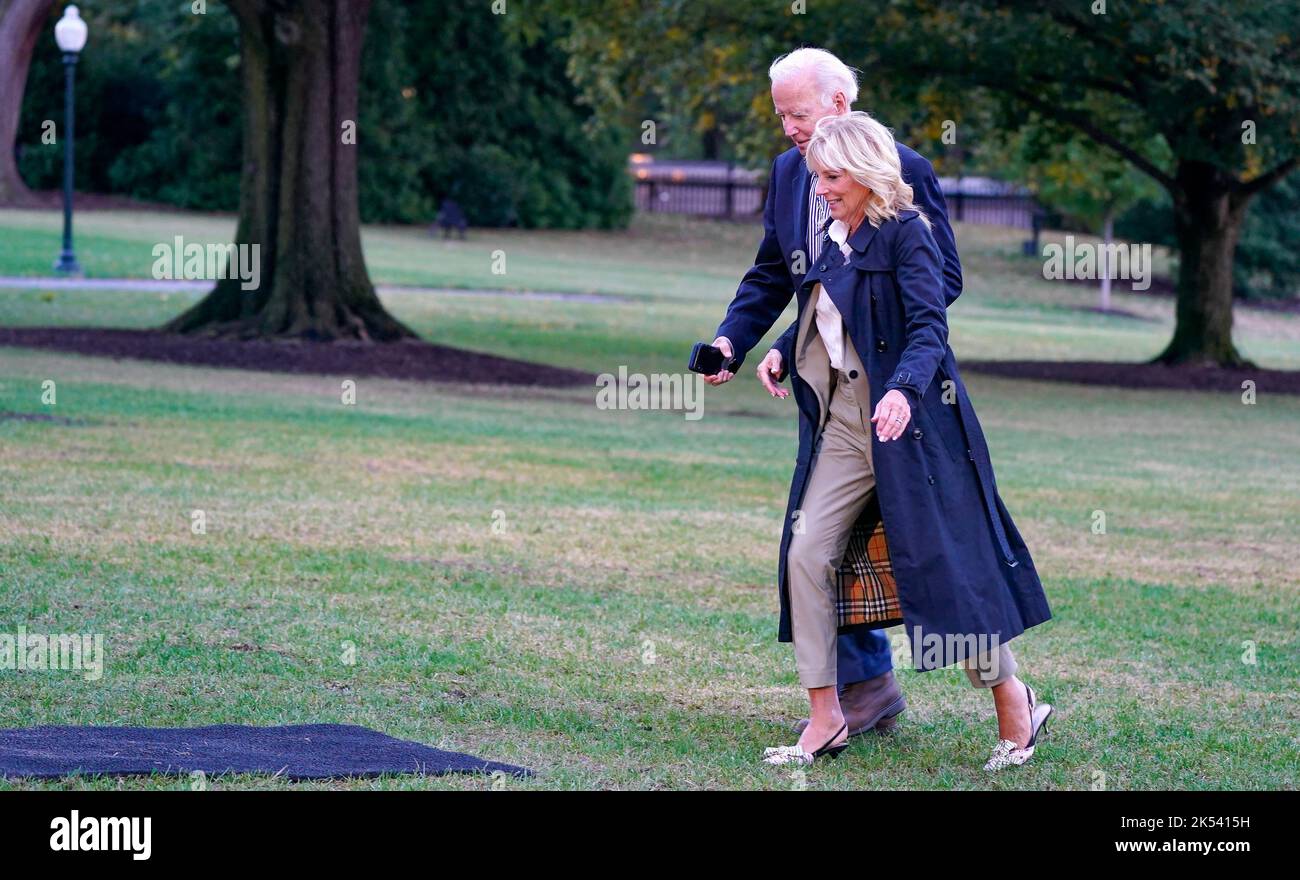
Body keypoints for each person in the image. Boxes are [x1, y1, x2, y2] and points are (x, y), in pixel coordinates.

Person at [748, 111, 1054, 770]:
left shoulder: (908, 233)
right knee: (806, 556)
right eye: (817, 176)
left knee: (945, 568)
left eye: (831, 177)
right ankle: (825, 718)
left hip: (909, 423)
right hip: (846, 426)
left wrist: (903, 391)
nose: (820, 188)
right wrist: (781, 349)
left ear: (863, 174)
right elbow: (827, 307)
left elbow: (928, 326)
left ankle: (1013, 701)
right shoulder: (836, 232)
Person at [706, 47, 962, 741]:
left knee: (932, 542)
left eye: (797, 111)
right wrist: (740, 339)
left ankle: (1007, 692)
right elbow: (775, 273)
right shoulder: (790, 173)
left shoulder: (906, 170)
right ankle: (866, 688)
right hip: (828, 395)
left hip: (900, 394)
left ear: (840, 105)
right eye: (780, 113)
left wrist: (888, 359)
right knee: (821, 541)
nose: (787, 126)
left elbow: (942, 285)